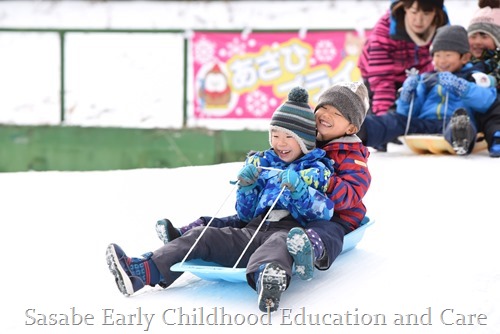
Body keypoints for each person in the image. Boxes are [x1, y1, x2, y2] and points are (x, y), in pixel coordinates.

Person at [106, 86, 337, 313]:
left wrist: (300, 190)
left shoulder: (316, 169)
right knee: (201, 235)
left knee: (277, 245)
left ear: (305, 141)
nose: (280, 142)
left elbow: (323, 213)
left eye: (289, 137)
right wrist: (247, 187)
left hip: (288, 231)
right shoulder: (263, 163)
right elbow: (246, 214)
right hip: (252, 231)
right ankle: (142, 271)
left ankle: (268, 280)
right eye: (275, 135)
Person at [156, 81, 372, 283]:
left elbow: (352, 194)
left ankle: (310, 249)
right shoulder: (306, 136)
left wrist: (325, 183)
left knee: (327, 229)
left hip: (336, 216)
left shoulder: (352, 157)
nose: (325, 114)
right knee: (241, 220)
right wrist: (259, 167)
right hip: (295, 207)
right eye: (323, 107)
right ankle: (186, 234)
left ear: (351, 128)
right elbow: (280, 153)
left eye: (336, 113)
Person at [357, 25, 498, 155]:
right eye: (437, 55)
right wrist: (408, 95)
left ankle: (459, 137)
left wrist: (462, 87)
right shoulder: (427, 79)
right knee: (395, 119)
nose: (442, 61)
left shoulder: (473, 76)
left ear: (465, 57)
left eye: (448, 55)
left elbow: (487, 100)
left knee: (462, 122)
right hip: (425, 123)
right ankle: (363, 130)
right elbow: (407, 113)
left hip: (453, 121)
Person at [358, 0, 450, 117]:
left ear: (436, 12)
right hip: (381, 78)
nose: (419, 20)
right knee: (384, 119)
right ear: (405, 8)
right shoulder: (385, 30)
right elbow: (382, 81)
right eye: (414, 12)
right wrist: (385, 119)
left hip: (420, 77)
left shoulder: (443, 29)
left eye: (426, 13)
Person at [467, 0, 500, 157]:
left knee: (493, 116)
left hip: (494, 105)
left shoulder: (496, 60)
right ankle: (460, 132)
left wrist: (490, 80)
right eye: (473, 35)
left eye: (484, 35)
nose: (477, 41)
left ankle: (496, 137)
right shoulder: (463, 59)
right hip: (471, 103)